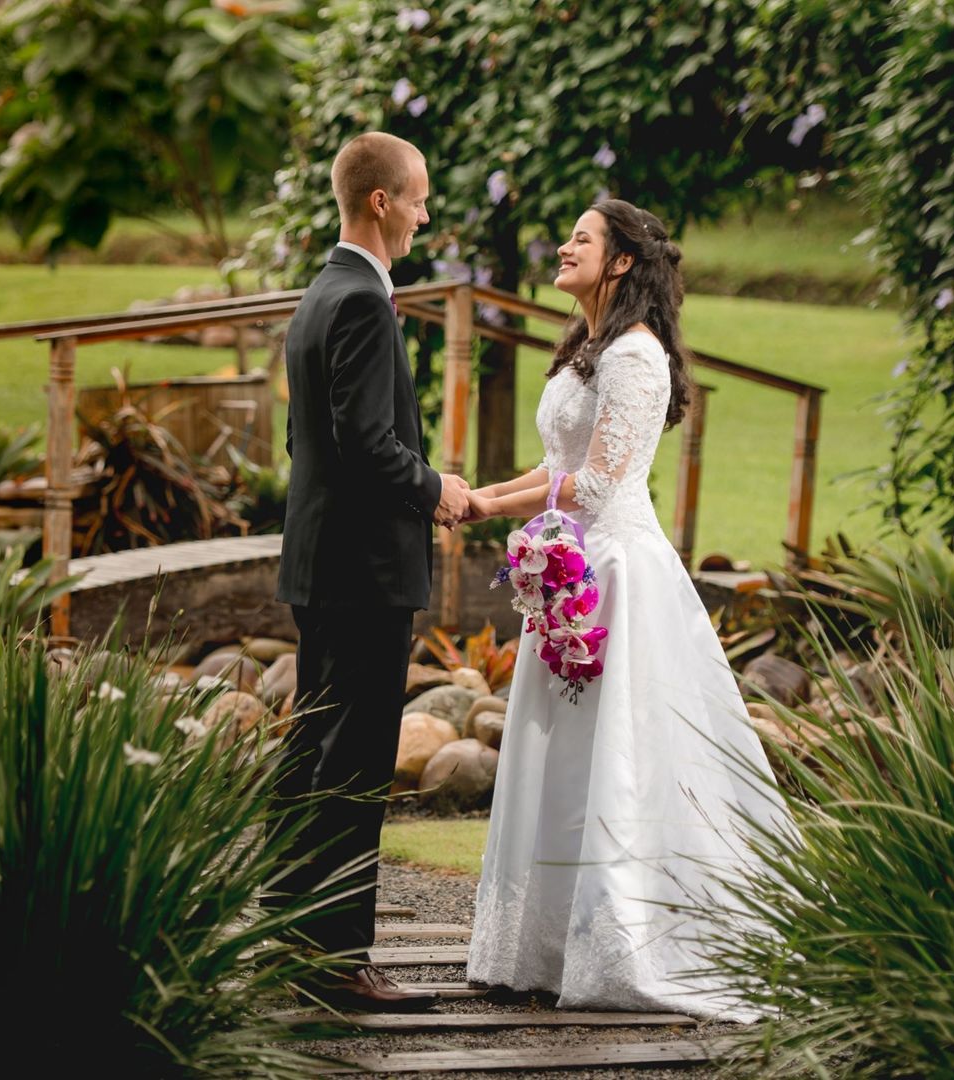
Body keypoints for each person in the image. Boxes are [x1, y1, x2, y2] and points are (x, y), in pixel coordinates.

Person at [458, 199, 793, 1020]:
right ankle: (544, 945)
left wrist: (489, 508)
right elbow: (555, 467)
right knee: (563, 755)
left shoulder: (636, 358)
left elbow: (600, 484)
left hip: (612, 573)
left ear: (618, 263)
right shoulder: (585, 349)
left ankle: (627, 937)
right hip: (569, 568)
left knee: (615, 757)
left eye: (582, 238)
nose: (565, 246)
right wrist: (481, 496)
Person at [270, 132, 470, 1012]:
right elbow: (363, 444)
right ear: (380, 202)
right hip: (362, 573)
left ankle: (285, 927)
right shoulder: (358, 301)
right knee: (351, 767)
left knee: (310, 752)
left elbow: (305, 442)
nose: (426, 212)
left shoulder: (320, 294)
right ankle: (338, 959)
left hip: (322, 565)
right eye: (418, 197)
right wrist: (437, 489)